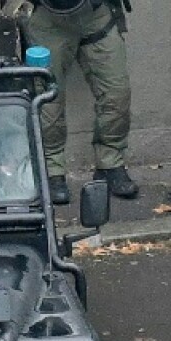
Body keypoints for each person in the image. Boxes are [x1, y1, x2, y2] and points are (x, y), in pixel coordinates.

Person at [26, 0, 138, 204]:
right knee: (48, 101)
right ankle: (51, 172)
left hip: (96, 14)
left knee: (116, 93)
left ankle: (110, 164)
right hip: (46, 18)